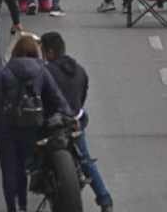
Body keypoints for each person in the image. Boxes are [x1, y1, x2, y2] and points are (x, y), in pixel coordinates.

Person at [0, 34, 71, 212]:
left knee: (8, 169)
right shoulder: (41, 71)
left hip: (5, 127)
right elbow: (56, 96)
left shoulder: (5, 71)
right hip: (30, 125)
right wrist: (67, 115)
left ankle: (12, 207)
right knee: (21, 168)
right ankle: (24, 206)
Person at [39, 32, 114, 212]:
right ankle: (105, 199)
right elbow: (83, 95)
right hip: (75, 120)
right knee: (85, 159)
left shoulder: (46, 72)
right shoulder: (79, 69)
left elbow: (41, 98)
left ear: (49, 52)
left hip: (54, 122)